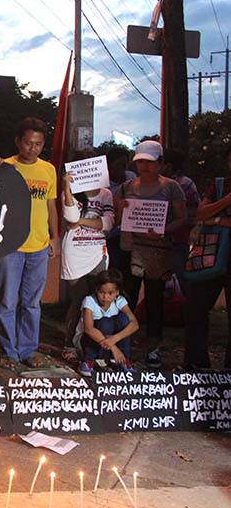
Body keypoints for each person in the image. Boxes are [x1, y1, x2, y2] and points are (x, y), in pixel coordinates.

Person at [0, 117, 58, 369]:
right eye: (28, 143)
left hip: (39, 245)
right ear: (18, 141)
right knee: (7, 301)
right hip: (10, 246)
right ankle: (9, 351)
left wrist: (55, 236)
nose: (32, 148)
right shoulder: (4, 166)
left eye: (38, 144)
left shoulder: (48, 169)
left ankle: (28, 349)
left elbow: (51, 205)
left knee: (31, 303)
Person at [113, 139, 185, 368]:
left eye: (150, 162)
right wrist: (121, 207)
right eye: (140, 162)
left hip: (157, 253)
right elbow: (116, 219)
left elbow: (182, 218)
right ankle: (122, 345)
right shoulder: (126, 187)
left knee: (155, 301)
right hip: (130, 249)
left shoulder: (171, 187)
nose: (144, 167)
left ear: (161, 163)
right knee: (127, 298)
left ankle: (153, 347)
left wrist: (163, 231)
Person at [60, 164, 115, 365]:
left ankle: (90, 345)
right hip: (75, 254)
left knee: (98, 301)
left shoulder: (106, 194)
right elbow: (70, 217)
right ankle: (69, 344)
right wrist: (66, 186)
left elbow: (108, 223)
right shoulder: (72, 192)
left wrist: (81, 221)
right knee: (78, 301)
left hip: (98, 255)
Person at [184, 145, 231, 370]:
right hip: (211, 256)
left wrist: (217, 220)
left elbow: (208, 217)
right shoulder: (219, 185)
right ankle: (196, 362)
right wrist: (226, 202)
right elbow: (201, 214)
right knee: (196, 308)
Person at [75, 269, 139, 376]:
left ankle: (123, 361)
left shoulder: (120, 301)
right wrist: (113, 347)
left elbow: (134, 324)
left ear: (117, 292)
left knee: (124, 319)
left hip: (110, 342)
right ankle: (88, 361)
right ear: (96, 290)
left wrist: (115, 339)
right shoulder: (89, 301)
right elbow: (89, 329)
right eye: (102, 293)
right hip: (92, 343)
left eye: (110, 293)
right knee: (105, 322)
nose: (105, 297)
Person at [162, 148, 200, 293]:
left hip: (177, 240)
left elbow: (192, 215)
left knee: (179, 279)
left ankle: (182, 311)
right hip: (161, 241)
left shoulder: (183, 184)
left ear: (169, 166)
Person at [105, 146, 136, 277]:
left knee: (128, 271)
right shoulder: (103, 183)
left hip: (128, 233)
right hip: (111, 235)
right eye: (118, 164)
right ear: (109, 164)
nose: (121, 168)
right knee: (113, 270)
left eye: (124, 165)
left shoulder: (131, 177)